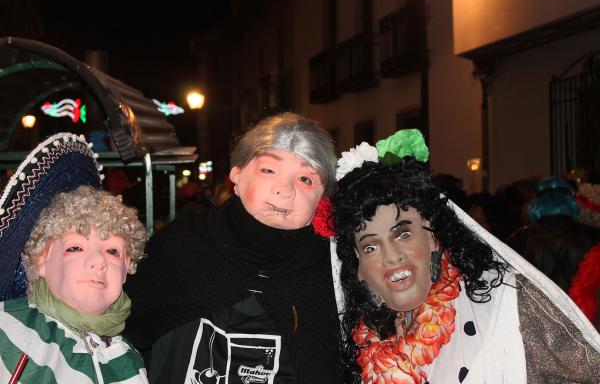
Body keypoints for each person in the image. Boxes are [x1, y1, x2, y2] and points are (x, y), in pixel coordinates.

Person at [326, 129, 600, 383]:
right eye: (371, 247)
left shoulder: (508, 304)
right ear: (358, 266)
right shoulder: (363, 342)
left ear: (433, 237)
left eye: (403, 235)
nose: (391, 257)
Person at [124, 112, 344, 383]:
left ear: (322, 198)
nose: (284, 190)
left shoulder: (334, 272)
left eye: (305, 179)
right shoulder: (180, 245)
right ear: (237, 175)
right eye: (269, 170)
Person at [0, 133, 148, 383]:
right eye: (75, 248)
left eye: (113, 251)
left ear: (126, 269)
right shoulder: (6, 333)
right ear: (40, 260)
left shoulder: (129, 358)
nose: (98, 262)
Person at [508, 177, 600, 292]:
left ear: (536, 202)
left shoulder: (520, 238)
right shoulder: (593, 236)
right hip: (580, 309)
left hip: (534, 308)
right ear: (571, 201)